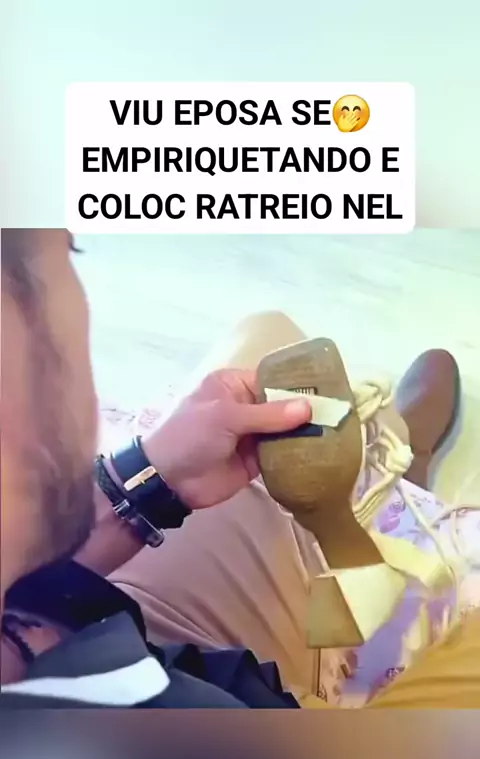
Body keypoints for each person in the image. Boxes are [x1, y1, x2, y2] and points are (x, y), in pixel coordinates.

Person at [1, 228, 480, 708]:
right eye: (69, 249)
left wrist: (142, 485)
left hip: (80, 625)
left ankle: (396, 470)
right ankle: (401, 489)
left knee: (267, 342)